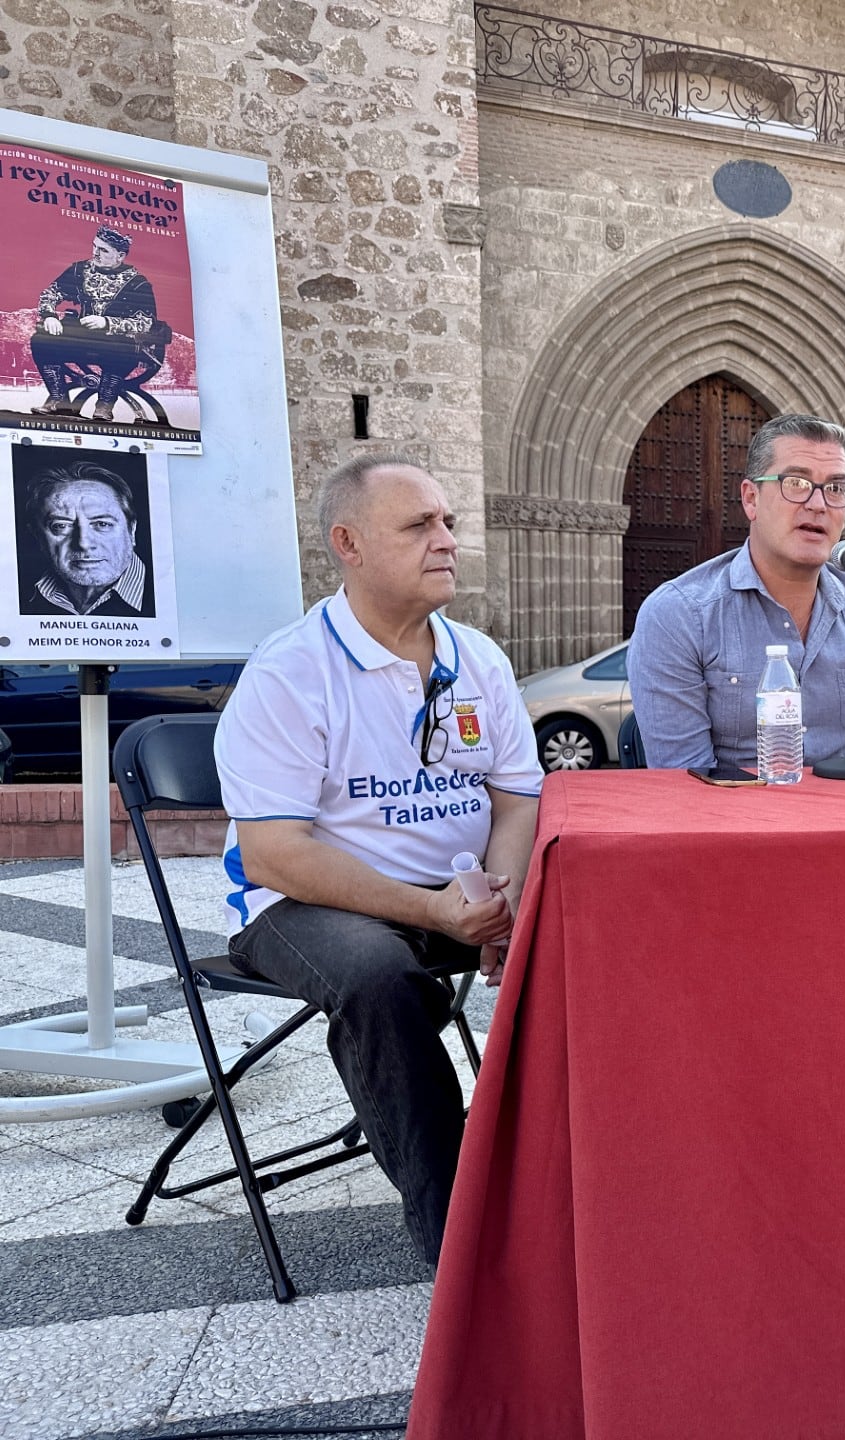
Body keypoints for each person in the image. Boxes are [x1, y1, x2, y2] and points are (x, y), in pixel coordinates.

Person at [214, 454, 543, 1263]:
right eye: (418, 525)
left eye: (448, 523)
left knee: (588, 939)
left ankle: (566, 1185)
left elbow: (517, 798)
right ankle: (459, 1242)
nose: (446, 541)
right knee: (378, 978)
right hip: (304, 906)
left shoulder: (481, 660)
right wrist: (434, 911)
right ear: (348, 543)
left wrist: (505, 897)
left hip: (452, 895)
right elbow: (274, 854)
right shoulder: (292, 670)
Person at [628, 413, 845, 770]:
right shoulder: (679, 616)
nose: (818, 504)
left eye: (836, 488)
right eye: (796, 482)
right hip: (728, 821)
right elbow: (685, 786)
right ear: (751, 499)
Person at [29, 226, 159, 422]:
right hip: (82, 338)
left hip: (118, 345)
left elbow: (145, 323)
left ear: (120, 256)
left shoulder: (138, 284)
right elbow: (50, 293)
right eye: (95, 247)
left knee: (123, 351)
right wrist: (49, 316)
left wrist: (107, 322)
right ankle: (59, 399)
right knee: (41, 341)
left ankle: (104, 405)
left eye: (103, 250)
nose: (95, 253)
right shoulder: (79, 270)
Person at [18, 460, 149, 617]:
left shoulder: (172, 591)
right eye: (61, 526)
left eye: (102, 524)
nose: (83, 543)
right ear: (37, 536)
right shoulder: (17, 597)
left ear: (131, 530)